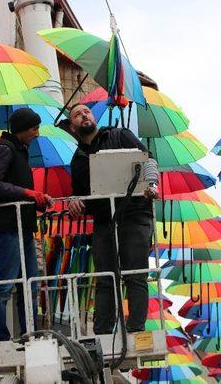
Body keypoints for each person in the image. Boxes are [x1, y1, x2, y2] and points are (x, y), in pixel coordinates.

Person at [66, 103, 159, 335]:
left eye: (86, 111)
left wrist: (152, 184)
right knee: (105, 277)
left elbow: (148, 160)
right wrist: (74, 202)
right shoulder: (77, 160)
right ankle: (103, 332)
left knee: (135, 275)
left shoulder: (119, 135)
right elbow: (82, 195)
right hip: (104, 221)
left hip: (135, 214)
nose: (84, 115)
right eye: (77, 114)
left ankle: (136, 329)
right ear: (73, 127)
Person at [0, 108, 53, 341]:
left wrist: (37, 200)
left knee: (30, 285)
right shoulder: (5, 148)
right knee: (4, 286)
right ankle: (1, 337)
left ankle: (29, 333)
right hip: (8, 227)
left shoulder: (18, 151)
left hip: (21, 226)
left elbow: (13, 190)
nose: (37, 133)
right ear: (22, 129)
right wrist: (28, 192)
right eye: (34, 128)